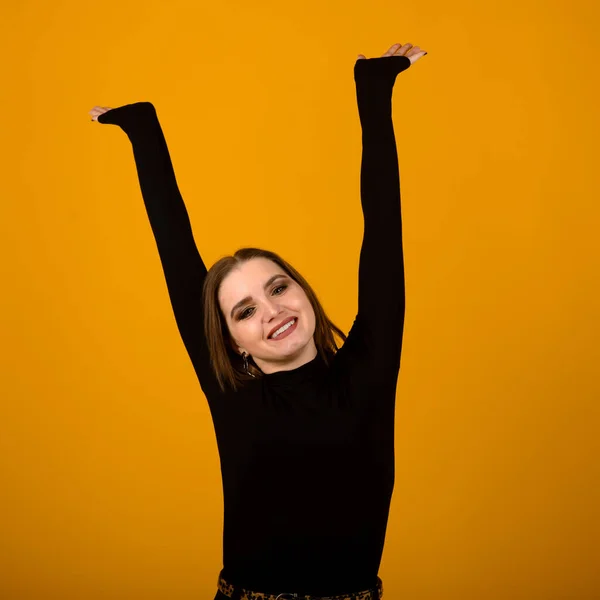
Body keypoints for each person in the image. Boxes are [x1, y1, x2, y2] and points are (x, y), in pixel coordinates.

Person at [90, 41, 427, 600]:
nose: (271, 311)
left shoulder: (369, 369)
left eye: (278, 287)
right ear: (231, 340)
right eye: (244, 310)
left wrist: (374, 91)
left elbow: (383, 230)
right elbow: (175, 247)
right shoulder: (234, 394)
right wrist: (142, 132)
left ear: (306, 295)